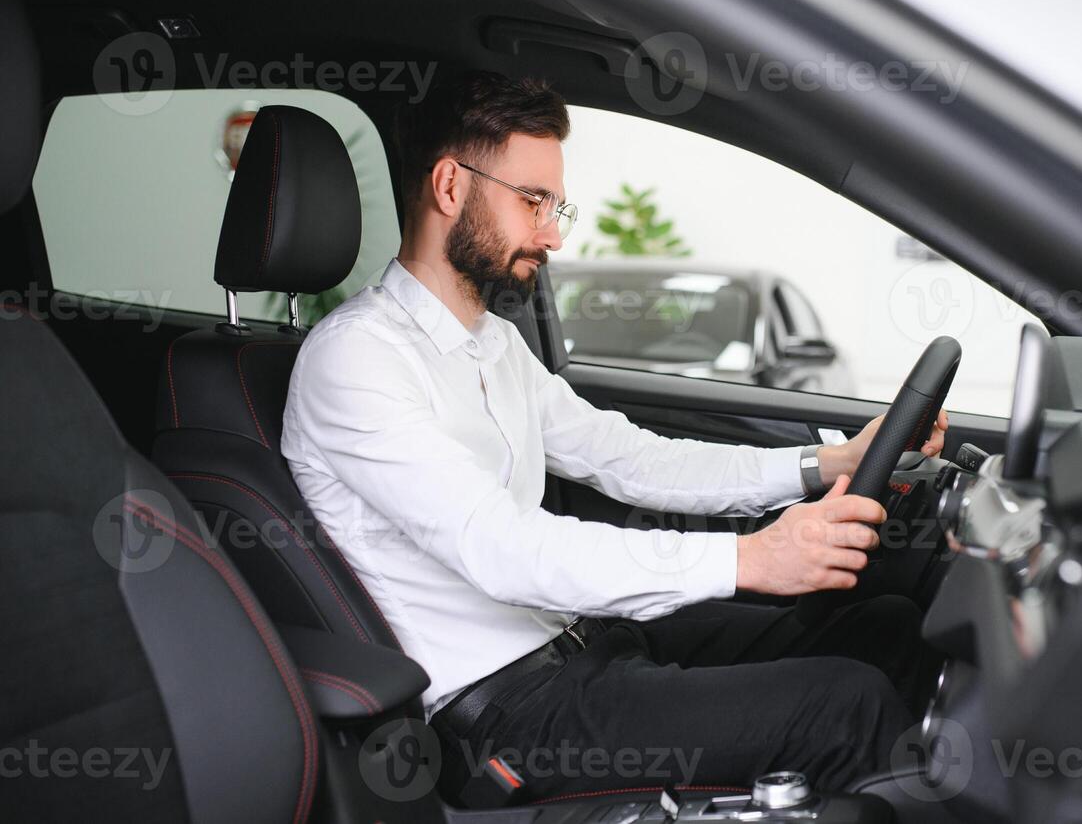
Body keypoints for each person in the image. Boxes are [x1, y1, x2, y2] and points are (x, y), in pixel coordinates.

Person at [280, 71, 947, 799]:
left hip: (582, 643)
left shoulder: (494, 345)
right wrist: (748, 558)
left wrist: (830, 461)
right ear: (449, 187)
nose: (554, 233)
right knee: (842, 706)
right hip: (501, 718)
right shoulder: (356, 359)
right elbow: (503, 549)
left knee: (883, 626)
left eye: (556, 205)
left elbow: (633, 460)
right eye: (532, 201)